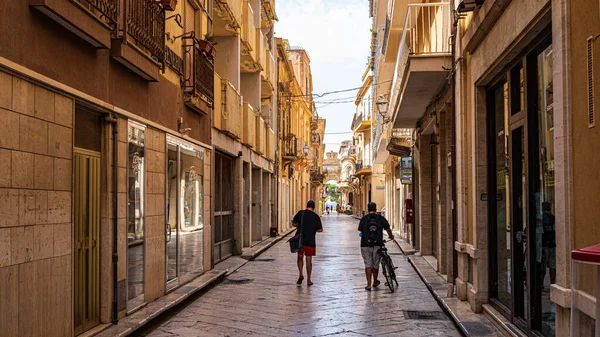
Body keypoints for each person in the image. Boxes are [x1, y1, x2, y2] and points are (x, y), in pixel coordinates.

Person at [358, 202, 394, 291]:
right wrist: (391, 236)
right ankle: (375, 281)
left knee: (368, 264)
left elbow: (360, 230)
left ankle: (369, 285)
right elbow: (388, 229)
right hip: (377, 244)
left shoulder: (364, 219)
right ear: (376, 209)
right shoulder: (380, 218)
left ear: (367, 209)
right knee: (375, 263)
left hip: (365, 245)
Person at [292, 200, 323, 286]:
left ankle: (301, 274)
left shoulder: (301, 213)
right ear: (314, 207)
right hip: (310, 240)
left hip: (300, 240)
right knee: (309, 260)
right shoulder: (316, 216)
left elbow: (293, 223)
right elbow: (320, 229)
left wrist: (301, 226)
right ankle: (309, 279)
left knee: (300, 257)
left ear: (306, 206)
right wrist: (313, 229)